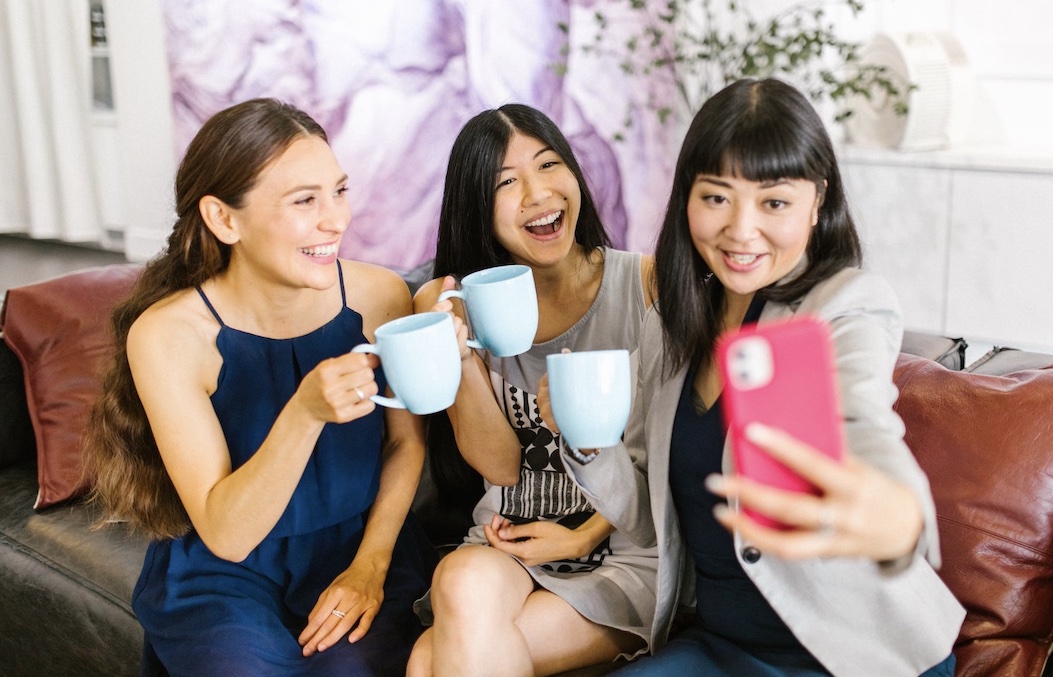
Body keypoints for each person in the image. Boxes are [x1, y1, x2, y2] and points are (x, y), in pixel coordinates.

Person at [563, 78, 966, 676]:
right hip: (720, 646)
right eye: (716, 197)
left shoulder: (844, 305)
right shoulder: (671, 328)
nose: (741, 230)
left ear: (818, 200)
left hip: (846, 654)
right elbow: (650, 516)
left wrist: (899, 516)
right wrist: (589, 440)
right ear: (687, 199)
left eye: (773, 202)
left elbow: (861, 421)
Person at [86, 98, 437, 675]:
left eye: (339, 191)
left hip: (361, 549)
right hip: (224, 573)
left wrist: (371, 566)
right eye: (305, 201)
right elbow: (226, 533)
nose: (336, 220)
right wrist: (304, 415)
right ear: (225, 220)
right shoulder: (168, 335)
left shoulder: (381, 298)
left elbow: (406, 444)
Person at [405, 103, 657, 676]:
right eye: (507, 183)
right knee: (462, 577)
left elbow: (670, 459)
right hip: (510, 542)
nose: (538, 193)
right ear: (477, 207)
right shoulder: (451, 306)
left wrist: (580, 537)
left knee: (427, 661)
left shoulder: (647, 286)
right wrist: (464, 360)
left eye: (549, 166)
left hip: (622, 551)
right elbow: (499, 466)